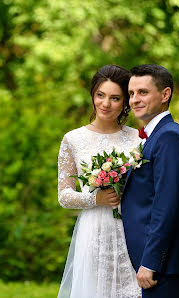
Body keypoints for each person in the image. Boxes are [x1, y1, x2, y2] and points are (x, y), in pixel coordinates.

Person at [121, 64, 179, 298]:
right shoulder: (156, 135)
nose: (134, 100)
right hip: (160, 259)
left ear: (165, 94)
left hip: (164, 261)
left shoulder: (168, 137)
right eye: (131, 93)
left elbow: (166, 205)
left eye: (143, 92)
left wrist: (150, 262)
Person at [57, 65, 142, 298]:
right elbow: (64, 196)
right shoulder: (73, 139)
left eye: (115, 98)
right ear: (93, 95)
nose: (106, 104)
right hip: (94, 230)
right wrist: (97, 198)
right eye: (100, 95)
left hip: (131, 226)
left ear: (125, 102)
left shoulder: (138, 138)